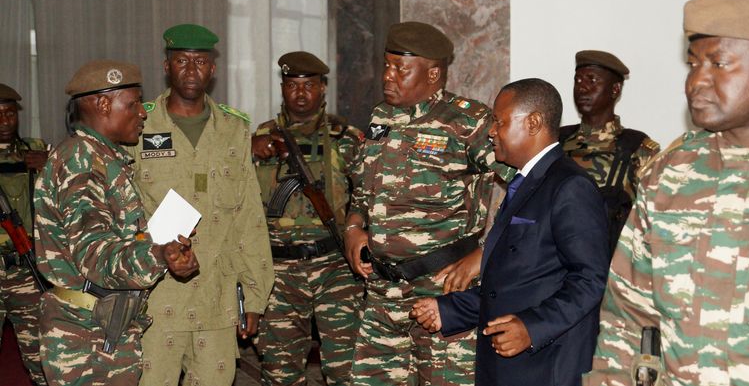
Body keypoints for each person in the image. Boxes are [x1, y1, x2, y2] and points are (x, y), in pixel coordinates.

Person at [583, 0, 749, 386]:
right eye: (693, 63)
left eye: (719, 63)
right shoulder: (673, 171)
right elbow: (627, 319)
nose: (696, 81)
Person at [343, 21, 514, 386]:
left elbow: (530, 188)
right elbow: (363, 186)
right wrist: (354, 226)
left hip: (443, 292)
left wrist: (485, 253)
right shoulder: (380, 118)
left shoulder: (469, 122)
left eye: (400, 69)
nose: (388, 76)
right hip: (383, 294)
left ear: (433, 74)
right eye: (386, 65)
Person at [411, 78, 609, 386]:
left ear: (533, 123)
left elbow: (591, 280)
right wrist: (449, 310)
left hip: (544, 366)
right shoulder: (525, 183)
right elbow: (515, 283)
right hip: (506, 367)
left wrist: (532, 327)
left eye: (499, 122)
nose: (491, 131)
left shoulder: (569, 186)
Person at [34, 59, 199, 386]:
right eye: (134, 102)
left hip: (105, 327)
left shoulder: (103, 158)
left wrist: (164, 250)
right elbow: (95, 256)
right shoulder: (80, 162)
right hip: (84, 341)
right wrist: (157, 254)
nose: (142, 112)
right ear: (103, 103)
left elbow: (118, 240)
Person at [132, 24, 274, 386]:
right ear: (166, 66)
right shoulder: (138, 126)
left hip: (217, 296)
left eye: (200, 62)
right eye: (181, 60)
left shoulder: (234, 128)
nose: (191, 70)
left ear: (213, 69)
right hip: (155, 298)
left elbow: (249, 218)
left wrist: (254, 296)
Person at [252, 51, 365, 385]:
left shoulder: (346, 138)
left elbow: (368, 195)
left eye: (309, 86)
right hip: (279, 272)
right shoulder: (261, 137)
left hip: (333, 265)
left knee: (346, 368)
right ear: (283, 89)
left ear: (323, 89)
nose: (300, 93)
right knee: (279, 371)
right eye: (292, 85)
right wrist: (247, 149)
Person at [559, 50, 660, 249]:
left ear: (615, 90)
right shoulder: (555, 141)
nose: (582, 88)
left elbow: (654, 219)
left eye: (592, 80)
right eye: (577, 80)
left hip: (610, 268)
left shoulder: (638, 148)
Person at [0, 83, 48, 386]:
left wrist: (50, 167)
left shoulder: (37, 150)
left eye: (9, 113)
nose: (4, 121)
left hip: (26, 270)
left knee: (39, 357)